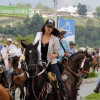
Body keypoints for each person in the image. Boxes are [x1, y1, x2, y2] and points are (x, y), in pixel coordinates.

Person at [33, 19, 69, 100]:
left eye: (51, 27)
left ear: (53, 29)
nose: (49, 28)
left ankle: (64, 94)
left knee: (59, 78)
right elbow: (34, 47)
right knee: (29, 76)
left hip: (51, 63)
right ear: (44, 27)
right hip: (39, 63)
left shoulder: (55, 39)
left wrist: (54, 55)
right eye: (48, 26)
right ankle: (26, 94)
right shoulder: (38, 36)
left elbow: (58, 53)